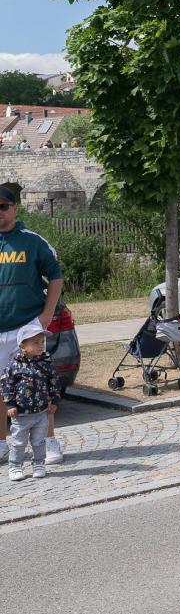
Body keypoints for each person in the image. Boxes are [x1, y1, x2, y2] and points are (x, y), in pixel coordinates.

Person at [0, 186, 64, 465]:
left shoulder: (33, 241)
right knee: (3, 389)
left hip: (27, 328)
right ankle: (3, 444)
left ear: (15, 208)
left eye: (3, 207)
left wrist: (46, 315)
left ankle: (48, 442)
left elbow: (56, 277)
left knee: (39, 386)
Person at [2, 322, 59, 481]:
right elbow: (7, 385)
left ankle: (39, 463)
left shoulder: (45, 363)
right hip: (21, 414)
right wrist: (10, 405)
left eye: (42, 342)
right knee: (19, 443)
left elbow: (53, 381)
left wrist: (54, 400)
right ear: (23, 345)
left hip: (41, 412)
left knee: (39, 441)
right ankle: (15, 466)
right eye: (36, 342)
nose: (41, 346)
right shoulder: (14, 365)